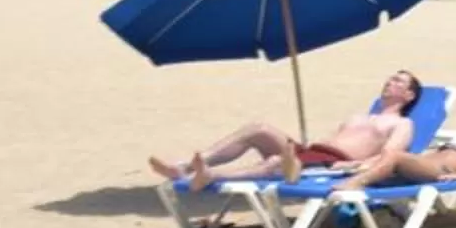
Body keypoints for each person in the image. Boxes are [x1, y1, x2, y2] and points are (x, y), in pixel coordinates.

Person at [149, 68, 425, 186]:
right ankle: (183, 167)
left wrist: (352, 168)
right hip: (314, 152)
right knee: (258, 128)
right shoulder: (359, 115)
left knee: (275, 162)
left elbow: (390, 156)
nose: (390, 82)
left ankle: (213, 176)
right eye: (390, 78)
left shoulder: (403, 123)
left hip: (335, 163)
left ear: (409, 96)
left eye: (399, 81)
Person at [327, 121, 456, 196]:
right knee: (389, 155)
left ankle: (357, 181)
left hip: (438, 173)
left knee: (394, 154)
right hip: (422, 165)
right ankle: (357, 166)